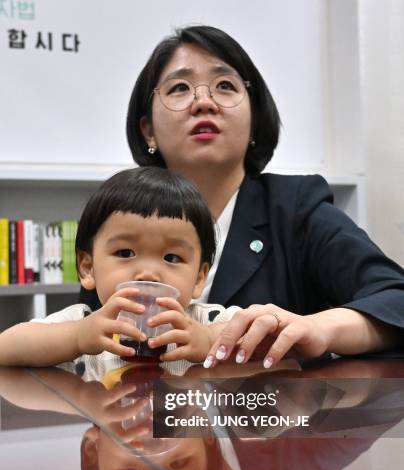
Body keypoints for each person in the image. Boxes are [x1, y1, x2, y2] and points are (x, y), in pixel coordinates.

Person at [124, 24, 404, 369]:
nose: (204, 102)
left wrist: (317, 328)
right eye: (179, 88)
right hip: (146, 415)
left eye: (224, 86)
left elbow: (396, 300)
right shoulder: (123, 215)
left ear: (255, 120)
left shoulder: (296, 207)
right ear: (148, 129)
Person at [0, 167, 239, 368]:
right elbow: (5, 348)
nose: (148, 274)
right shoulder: (84, 323)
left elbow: (264, 336)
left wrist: (209, 339)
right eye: (125, 253)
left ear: (199, 278)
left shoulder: (206, 321)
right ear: (88, 268)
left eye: (172, 258)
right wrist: (77, 338)